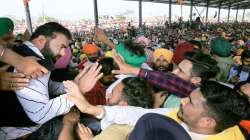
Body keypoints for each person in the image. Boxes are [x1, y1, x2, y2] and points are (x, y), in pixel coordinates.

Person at [0, 22, 103, 139]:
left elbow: (47, 86)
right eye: (62, 46)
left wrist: (73, 85)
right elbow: (39, 114)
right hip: (24, 132)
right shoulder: (33, 63)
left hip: (19, 125)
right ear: (41, 40)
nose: (64, 53)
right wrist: (79, 91)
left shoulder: (24, 53)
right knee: (95, 126)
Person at [65, 80, 249, 140]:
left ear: (207, 122)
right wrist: (91, 108)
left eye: (191, 101)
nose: (182, 101)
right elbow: (140, 114)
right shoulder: (185, 117)